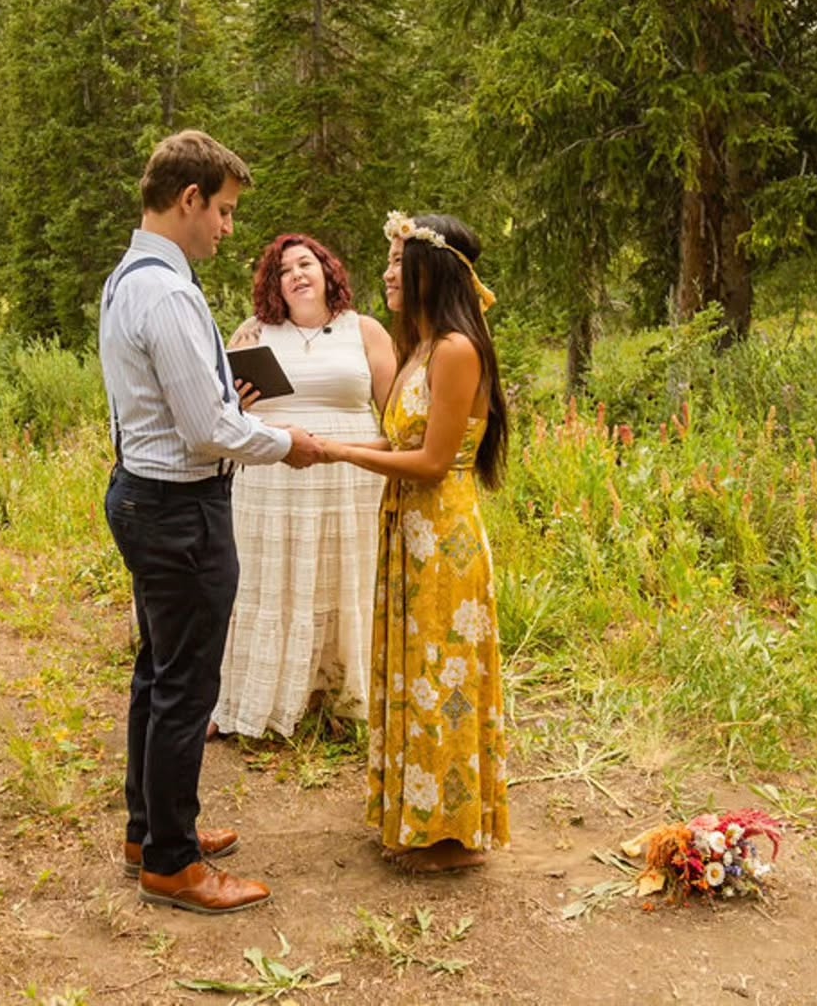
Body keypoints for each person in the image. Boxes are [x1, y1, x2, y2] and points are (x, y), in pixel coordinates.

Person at [100, 131, 323, 915]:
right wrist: (288, 443)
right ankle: (172, 861)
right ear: (188, 199)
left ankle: (150, 827)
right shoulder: (166, 291)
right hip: (179, 507)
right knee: (186, 686)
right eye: (224, 212)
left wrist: (224, 395)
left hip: (145, 493)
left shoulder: (131, 277)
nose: (229, 229)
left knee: (158, 672)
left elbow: (179, 402)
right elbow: (206, 432)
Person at [320, 211, 510, 874]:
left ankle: (452, 835)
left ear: (434, 270)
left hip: (445, 538)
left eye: (400, 262)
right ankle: (418, 815)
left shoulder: (457, 349)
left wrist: (342, 452)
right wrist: (324, 449)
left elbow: (432, 463)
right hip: (409, 532)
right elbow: (399, 442)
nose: (388, 274)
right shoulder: (421, 349)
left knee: (443, 678)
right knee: (414, 672)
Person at [211, 234, 396, 740]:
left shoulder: (365, 331)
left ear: (326, 270)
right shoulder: (253, 332)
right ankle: (272, 697)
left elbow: (397, 411)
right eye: (282, 270)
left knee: (346, 576)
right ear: (274, 287)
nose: (295, 274)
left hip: (351, 476)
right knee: (276, 582)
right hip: (275, 478)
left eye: (304, 263)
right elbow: (221, 413)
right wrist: (240, 405)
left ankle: (346, 698)